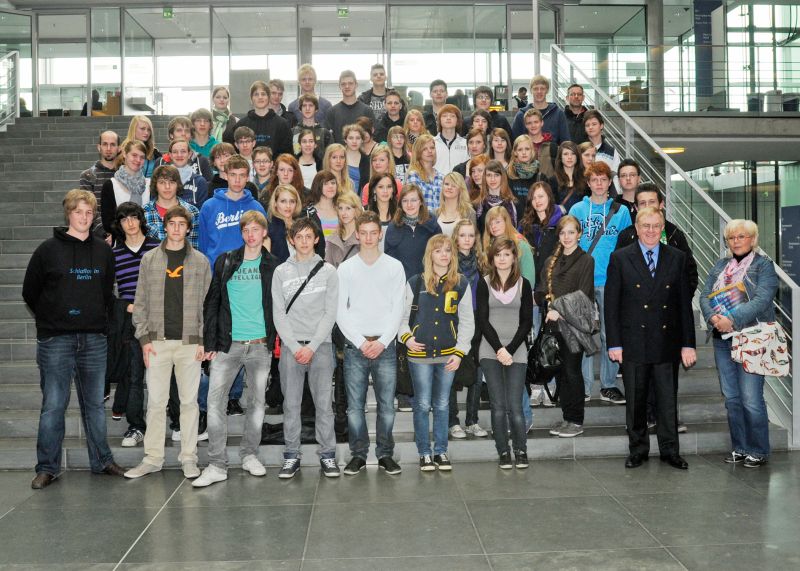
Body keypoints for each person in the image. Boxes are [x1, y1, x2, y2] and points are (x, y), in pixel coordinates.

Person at [23, 189, 124, 489]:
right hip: (56, 340)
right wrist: (54, 317)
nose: (84, 217)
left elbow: (107, 292)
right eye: (78, 211)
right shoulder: (47, 250)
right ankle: (47, 467)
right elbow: (30, 292)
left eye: (89, 212)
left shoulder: (104, 251)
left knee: (94, 405)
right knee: (54, 404)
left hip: (94, 339)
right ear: (68, 213)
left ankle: (102, 460)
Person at [191, 210, 279, 487]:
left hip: (260, 345)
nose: (251, 235)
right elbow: (212, 302)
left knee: (256, 404)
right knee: (215, 402)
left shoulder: (274, 266)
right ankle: (217, 464)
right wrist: (210, 343)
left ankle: (250, 455)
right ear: (241, 233)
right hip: (228, 345)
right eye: (246, 230)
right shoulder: (226, 261)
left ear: (264, 232)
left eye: (256, 230)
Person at [606, 207, 697, 469]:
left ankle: (670, 451)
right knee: (635, 401)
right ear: (636, 228)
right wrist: (614, 343)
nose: (650, 231)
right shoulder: (620, 258)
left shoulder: (677, 258)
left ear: (662, 229)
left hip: (667, 342)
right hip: (633, 341)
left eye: (656, 226)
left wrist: (688, 343)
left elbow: (683, 305)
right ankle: (638, 449)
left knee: (668, 401)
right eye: (645, 226)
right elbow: (612, 305)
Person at [124, 205, 211, 480]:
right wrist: (144, 339)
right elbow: (139, 303)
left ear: (188, 228)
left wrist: (203, 341)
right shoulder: (149, 259)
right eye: (171, 223)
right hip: (157, 343)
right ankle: (152, 458)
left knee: (188, 404)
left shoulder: (200, 261)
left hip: (189, 343)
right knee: (156, 403)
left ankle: (188, 457)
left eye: (181, 224)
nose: (176, 228)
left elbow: (209, 305)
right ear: (165, 226)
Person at [700, 219, 778, 468]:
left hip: (751, 337)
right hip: (722, 339)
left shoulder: (764, 266)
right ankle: (740, 447)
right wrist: (713, 318)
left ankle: (759, 450)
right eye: (732, 238)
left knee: (751, 397)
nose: (736, 241)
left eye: (742, 237)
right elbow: (704, 295)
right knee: (732, 397)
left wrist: (730, 319)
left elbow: (762, 299)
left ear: (753, 240)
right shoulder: (721, 265)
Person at [336, 211, 406, 475]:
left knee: (387, 406)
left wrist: (383, 341)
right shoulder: (346, 268)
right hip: (355, 347)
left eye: (372, 233)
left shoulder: (394, 267)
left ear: (380, 234)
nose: (367, 237)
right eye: (362, 233)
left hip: (385, 346)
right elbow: (340, 311)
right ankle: (358, 455)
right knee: (355, 407)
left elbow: (397, 309)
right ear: (357, 235)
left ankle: (385, 453)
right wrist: (360, 341)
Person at [270, 217, 340, 478]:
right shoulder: (280, 272)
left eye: (308, 236)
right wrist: (293, 345)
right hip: (290, 348)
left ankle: (328, 456)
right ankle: (291, 455)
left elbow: (329, 313)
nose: (303, 241)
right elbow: (279, 314)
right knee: (291, 405)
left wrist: (311, 346)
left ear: (317, 239)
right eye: (298, 237)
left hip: (320, 346)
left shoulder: (328, 271)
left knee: (323, 405)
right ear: (291, 240)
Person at [399, 235, 474, 471]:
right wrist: (407, 339)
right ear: (429, 254)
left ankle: (441, 451)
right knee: (421, 404)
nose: (443, 254)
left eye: (448, 251)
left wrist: (461, 351)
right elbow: (400, 319)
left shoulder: (461, 283)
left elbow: (467, 321)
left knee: (442, 405)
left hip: (448, 355)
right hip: (419, 356)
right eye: (438, 250)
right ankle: (424, 453)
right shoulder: (415, 282)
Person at [568, 161, 632, 404]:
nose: (598, 183)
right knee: (583, 333)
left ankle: (608, 385)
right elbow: (568, 244)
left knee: (609, 333)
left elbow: (627, 246)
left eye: (603, 179)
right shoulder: (577, 210)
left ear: (609, 183)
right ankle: (584, 387)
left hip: (610, 280)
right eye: (594, 179)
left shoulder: (621, 212)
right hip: (582, 281)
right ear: (588, 182)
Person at [535, 215, 596, 438]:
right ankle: (566, 417)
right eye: (562, 233)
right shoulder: (552, 261)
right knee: (560, 372)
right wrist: (544, 300)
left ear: (579, 234)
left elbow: (584, 295)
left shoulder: (586, 260)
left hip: (573, 327)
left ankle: (576, 420)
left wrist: (558, 308)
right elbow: (541, 289)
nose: (567, 237)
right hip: (553, 326)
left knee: (572, 372)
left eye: (571, 232)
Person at [476, 237, 533, 469]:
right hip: (490, 350)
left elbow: (527, 322)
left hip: (516, 350)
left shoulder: (524, 284)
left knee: (515, 406)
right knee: (498, 406)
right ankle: (503, 452)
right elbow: (482, 319)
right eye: (498, 254)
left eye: (506, 254)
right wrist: (499, 348)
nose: (502, 258)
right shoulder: (484, 283)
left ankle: (521, 450)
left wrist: (509, 349)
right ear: (492, 258)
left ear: (513, 257)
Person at [108, 202, 159, 447]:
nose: (130, 223)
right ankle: (136, 426)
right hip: (130, 319)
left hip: (158, 317)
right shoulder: (114, 254)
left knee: (164, 373)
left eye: (134, 217)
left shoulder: (156, 247)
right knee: (135, 373)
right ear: (119, 224)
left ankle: (178, 422)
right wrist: (125, 306)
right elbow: (106, 292)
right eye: (124, 219)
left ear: (140, 219)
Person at [447, 219, 489, 439]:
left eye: (471, 235)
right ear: (456, 237)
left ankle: (472, 420)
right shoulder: (449, 262)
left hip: (478, 320)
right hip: (454, 321)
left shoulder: (482, 263)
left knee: (477, 369)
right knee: (452, 367)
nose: (466, 239)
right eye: (462, 235)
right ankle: (452, 421)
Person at [199, 155, 268, 266]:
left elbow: (264, 242)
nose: (237, 180)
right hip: (217, 271)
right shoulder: (209, 206)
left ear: (247, 178)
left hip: (248, 272)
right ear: (226, 176)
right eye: (233, 175)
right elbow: (203, 244)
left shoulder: (256, 208)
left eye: (242, 175)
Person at [384, 185, 442, 279]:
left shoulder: (432, 226)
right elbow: (389, 261)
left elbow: (440, 258)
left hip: (428, 282)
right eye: (405, 201)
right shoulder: (393, 227)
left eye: (413, 200)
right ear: (400, 204)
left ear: (421, 202)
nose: (409, 205)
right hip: (401, 283)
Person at [224, 80, 293, 158]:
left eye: (263, 94)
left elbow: (287, 154)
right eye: (256, 94)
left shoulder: (282, 124)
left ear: (269, 97)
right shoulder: (241, 125)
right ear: (251, 99)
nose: (260, 97)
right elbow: (234, 152)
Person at [143, 165, 200, 248]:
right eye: (162, 182)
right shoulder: (144, 212)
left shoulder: (192, 212)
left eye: (172, 182)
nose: (167, 187)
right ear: (155, 185)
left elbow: (194, 247)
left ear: (178, 185)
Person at [267, 183, 326, 263]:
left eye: (292, 201)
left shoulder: (305, 224)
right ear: (275, 203)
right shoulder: (269, 229)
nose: (288, 206)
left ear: (296, 203)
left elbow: (319, 251)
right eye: (283, 201)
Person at [101, 140, 150, 234]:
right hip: (121, 241)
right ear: (124, 154)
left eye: (142, 157)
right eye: (134, 155)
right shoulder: (110, 185)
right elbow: (108, 223)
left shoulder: (150, 184)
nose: (138, 160)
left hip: (146, 240)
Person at [80, 130, 119, 238]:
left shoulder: (124, 175)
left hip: (124, 233)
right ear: (99, 147)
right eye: (105, 144)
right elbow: (89, 208)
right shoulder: (88, 175)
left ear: (119, 148)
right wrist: (105, 233)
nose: (108, 149)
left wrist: (118, 232)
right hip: (98, 236)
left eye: (113, 144)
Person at [511, 75, 570, 144]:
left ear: (547, 90)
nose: (539, 91)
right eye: (535, 89)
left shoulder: (558, 114)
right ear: (531, 91)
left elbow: (565, 142)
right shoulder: (521, 115)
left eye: (542, 88)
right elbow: (515, 143)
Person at [326, 70, 375, 145]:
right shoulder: (332, 112)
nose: (347, 86)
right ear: (339, 86)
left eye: (350, 83)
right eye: (343, 84)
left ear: (356, 85)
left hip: (362, 155)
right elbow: (328, 139)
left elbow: (372, 137)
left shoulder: (367, 111)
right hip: (340, 155)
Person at [157, 116, 213, 181]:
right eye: (179, 130)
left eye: (187, 131)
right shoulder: (160, 162)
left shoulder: (202, 161)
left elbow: (208, 188)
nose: (183, 134)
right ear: (171, 135)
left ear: (191, 135)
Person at [475, 159, 518, 231]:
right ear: (484, 178)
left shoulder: (514, 203)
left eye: (496, 175)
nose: (492, 179)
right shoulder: (477, 205)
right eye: (489, 175)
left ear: (502, 177)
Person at [584, 110, 620, 192]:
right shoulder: (580, 149)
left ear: (601, 125)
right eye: (587, 125)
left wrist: (615, 196)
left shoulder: (611, 151)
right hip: (583, 195)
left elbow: (616, 177)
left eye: (594, 124)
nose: (590, 127)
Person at [406, 134, 444, 212]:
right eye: (425, 149)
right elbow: (412, 203)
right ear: (418, 152)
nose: (430, 151)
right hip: (422, 221)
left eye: (432, 148)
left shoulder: (441, 176)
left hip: (440, 221)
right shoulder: (413, 175)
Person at [168, 139, 209, 209]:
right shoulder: (162, 180)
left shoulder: (200, 181)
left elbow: (202, 211)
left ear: (189, 154)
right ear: (170, 155)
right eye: (175, 152)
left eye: (183, 151)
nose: (179, 155)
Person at [291, 93, 333, 161]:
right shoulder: (292, 132)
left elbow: (330, 158)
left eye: (311, 105)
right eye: (304, 106)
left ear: (316, 109)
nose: (307, 108)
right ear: (300, 110)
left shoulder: (325, 134)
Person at [436, 172, 476, 237]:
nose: (449, 187)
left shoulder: (469, 213)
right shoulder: (435, 214)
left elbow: (474, 240)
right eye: (446, 184)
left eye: (454, 185)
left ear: (461, 189)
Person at [551, 141, 586, 214]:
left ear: (577, 157)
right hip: (560, 222)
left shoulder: (585, 180)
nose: (569, 157)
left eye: (573, 154)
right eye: (566, 154)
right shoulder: (552, 180)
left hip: (580, 221)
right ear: (560, 157)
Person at [506, 134, 543, 204]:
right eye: (520, 150)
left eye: (527, 149)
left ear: (532, 151)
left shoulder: (540, 176)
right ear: (515, 152)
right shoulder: (508, 174)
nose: (524, 153)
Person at [433, 103, 469, 175]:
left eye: (452, 116)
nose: (448, 118)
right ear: (439, 120)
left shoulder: (466, 143)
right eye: (444, 116)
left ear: (458, 121)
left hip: (460, 184)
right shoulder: (431, 143)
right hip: (437, 184)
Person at [304, 170, 340, 238]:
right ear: (318, 186)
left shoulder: (341, 209)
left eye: (333, 183)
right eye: (326, 183)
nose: (331, 186)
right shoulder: (308, 212)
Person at [522, 108, 557, 179]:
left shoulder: (552, 146)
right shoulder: (521, 146)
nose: (533, 125)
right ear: (525, 125)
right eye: (529, 123)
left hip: (548, 187)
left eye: (536, 122)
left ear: (542, 123)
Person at [366, 174, 399, 243]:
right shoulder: (364, 213)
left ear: (393, 189)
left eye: (389, 187)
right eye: (380, 187)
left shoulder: (401, 214)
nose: (385, 191)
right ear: (374, 190)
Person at [342, 123, 371, 195]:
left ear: (362, 140)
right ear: (345, 140)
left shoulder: (366, 160)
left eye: (358, 138)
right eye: (351, 138)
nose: (354, 141)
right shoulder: (339, 157)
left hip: (359, 201)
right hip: (341, 200)